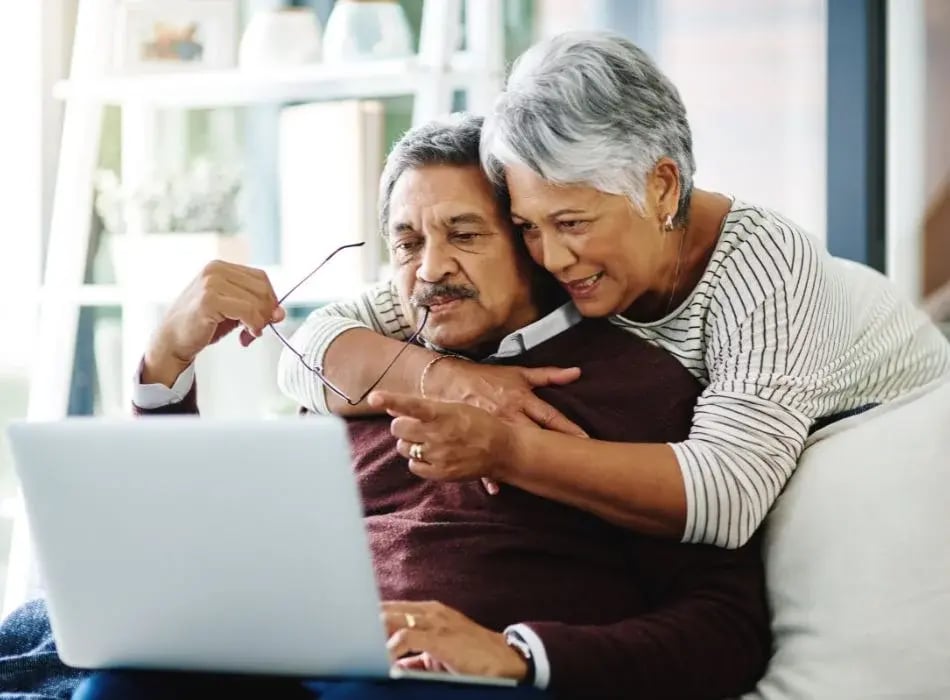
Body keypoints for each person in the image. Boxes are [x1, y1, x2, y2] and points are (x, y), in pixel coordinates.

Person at [62, 115, 770, 700]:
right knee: (120, 686)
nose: (429, 270)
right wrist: (164, 368)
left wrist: (520, 654)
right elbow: (206, 553)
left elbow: (728, 628)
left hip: (450, 684)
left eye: (464, 236)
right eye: (407, 242)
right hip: (299, 663)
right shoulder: (359, 370)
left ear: (532, 246)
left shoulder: (638, 390)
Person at [278, 31, 950, 550]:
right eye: (527, 227)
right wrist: (451, 379)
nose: (551, 255)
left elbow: (729, 497)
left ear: (660, 186)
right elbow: (309, 349)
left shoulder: (765, 265)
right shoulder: (553, 246)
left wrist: (508, 450)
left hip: (903, 422)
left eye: (571, 223)